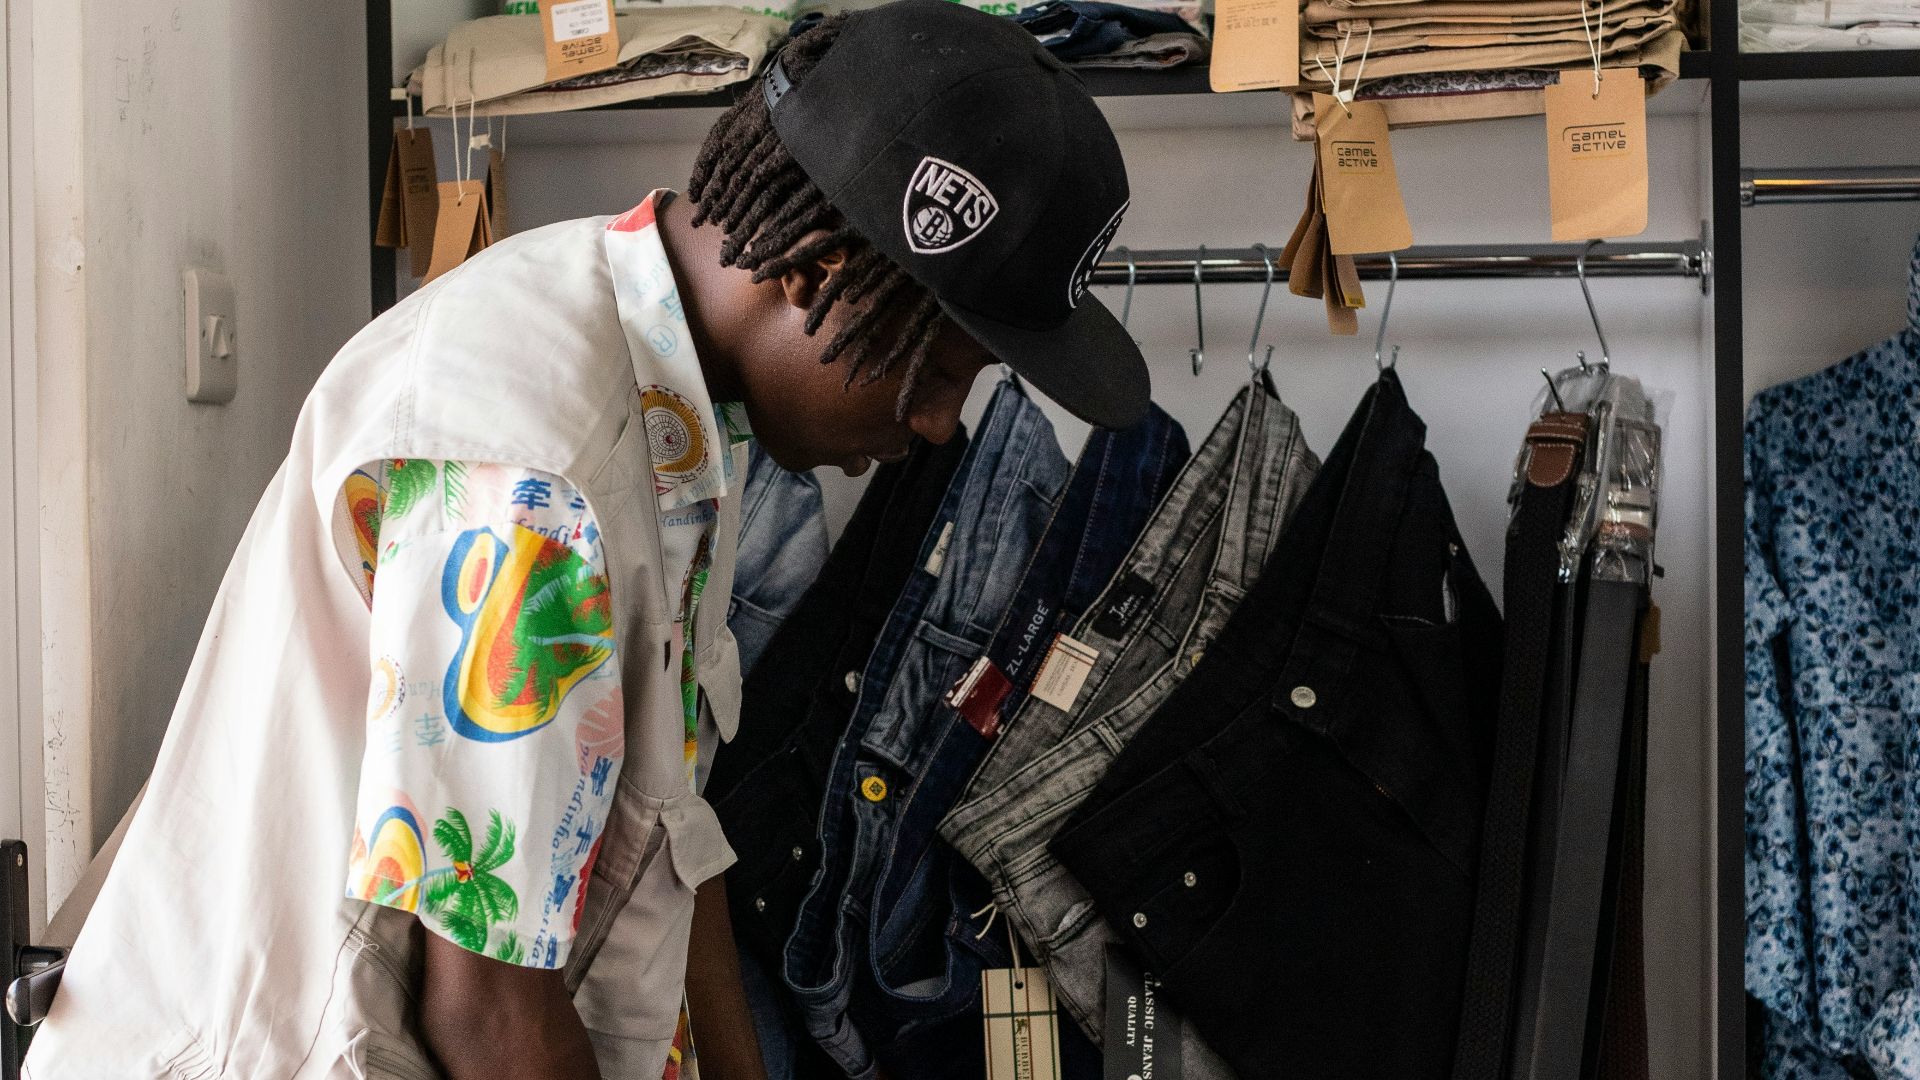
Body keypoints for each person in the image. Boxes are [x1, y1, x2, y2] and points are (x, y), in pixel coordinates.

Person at [22, 3, 1146, 1077]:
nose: (941, 423)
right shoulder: (535, 478)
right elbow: (484, 1008)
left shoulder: (675, 390)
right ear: (814, 275)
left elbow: (670, 821)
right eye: (942, 367)